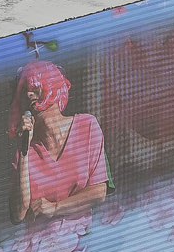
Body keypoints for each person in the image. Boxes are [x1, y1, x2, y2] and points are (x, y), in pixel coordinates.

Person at [11, 60, 109, 222]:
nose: (29, 95)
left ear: (53, 87)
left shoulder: (87, 125)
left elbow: (99, 192)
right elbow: (18, 214)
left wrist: (55, 208)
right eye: (24, 92)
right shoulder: (24, 150)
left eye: (35, 87)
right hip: (39, 241)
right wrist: (24, 151)